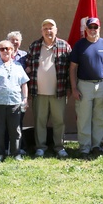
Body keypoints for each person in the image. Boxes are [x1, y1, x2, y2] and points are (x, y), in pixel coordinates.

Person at [69, 17, 103, 156]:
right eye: (90, 27)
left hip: (102, 85)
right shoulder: (79, 45)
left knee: (100, 118)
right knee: (84, 117)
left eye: (95, 27)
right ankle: (84, 147)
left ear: (99, 29)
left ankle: (96, 145)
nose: (93, 30)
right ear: (86, 29)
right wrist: (74, 88)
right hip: (84, 86)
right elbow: (72, 68)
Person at [25, 19, 71, 158]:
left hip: (59, 92)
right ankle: (40, 147)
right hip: (38, 92)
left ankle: (59, 146)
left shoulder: (64, 46)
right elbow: (28, 68)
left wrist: (69, 88)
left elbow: (71, 69)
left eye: (51, 28)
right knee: (40, 121)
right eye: (45, 28)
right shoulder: (34, 46)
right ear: (41, 31)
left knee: (59, 121)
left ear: (56, 30)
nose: (48, 31)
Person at [0, 40, 30, 161]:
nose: (5, 51)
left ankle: (16, 153)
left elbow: (24, 84)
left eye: (8, 48)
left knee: (15, 129)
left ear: (12, 50)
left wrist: (25, 99)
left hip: (15, 102)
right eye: (2, 49)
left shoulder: (18, 66)